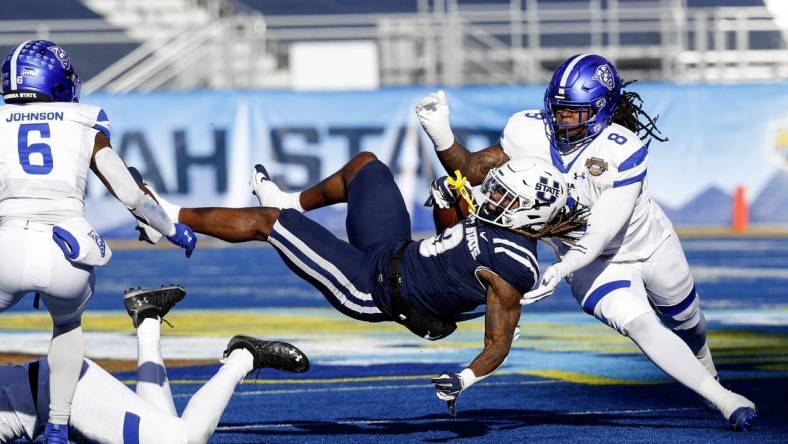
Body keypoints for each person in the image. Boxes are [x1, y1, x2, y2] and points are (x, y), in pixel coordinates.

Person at [412, 53, 756, 430]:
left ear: (601, 110)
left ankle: (707, 370)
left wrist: (559, 269)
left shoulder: (621, 149)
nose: (563, 120)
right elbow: (474, 171)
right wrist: (440, 133)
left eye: (575, 112)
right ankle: (723, 399)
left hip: (645, 245)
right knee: (641, 326)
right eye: (558, 110)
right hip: (594, 268)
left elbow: (601, 230)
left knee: (689, 321)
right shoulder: (529, 131)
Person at [136, 153, 568, 414]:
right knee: (366, 167)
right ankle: (288, 198)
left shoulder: (513, 268)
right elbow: (450, 240)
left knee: (269, 224)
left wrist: (465, 378)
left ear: (528, 215)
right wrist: (446, 206)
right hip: (394, 251)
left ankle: (166, 217)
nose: (492, 197)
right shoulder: (499, 229)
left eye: (503, 197)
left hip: (371, 289)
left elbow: (498, 342)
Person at [0, 40, 197, 443]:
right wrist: (171, 228)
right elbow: (131, 194)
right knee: (67, 325)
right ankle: (57, 426)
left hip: (7, 246)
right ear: (58, 84)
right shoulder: (83, 122)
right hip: (66, 250)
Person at [0, 285, 309, 443]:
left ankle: (244, 356)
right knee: (164, 427)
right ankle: (148, 316)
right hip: (51, 395)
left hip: (65, 394)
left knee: (182, 441)